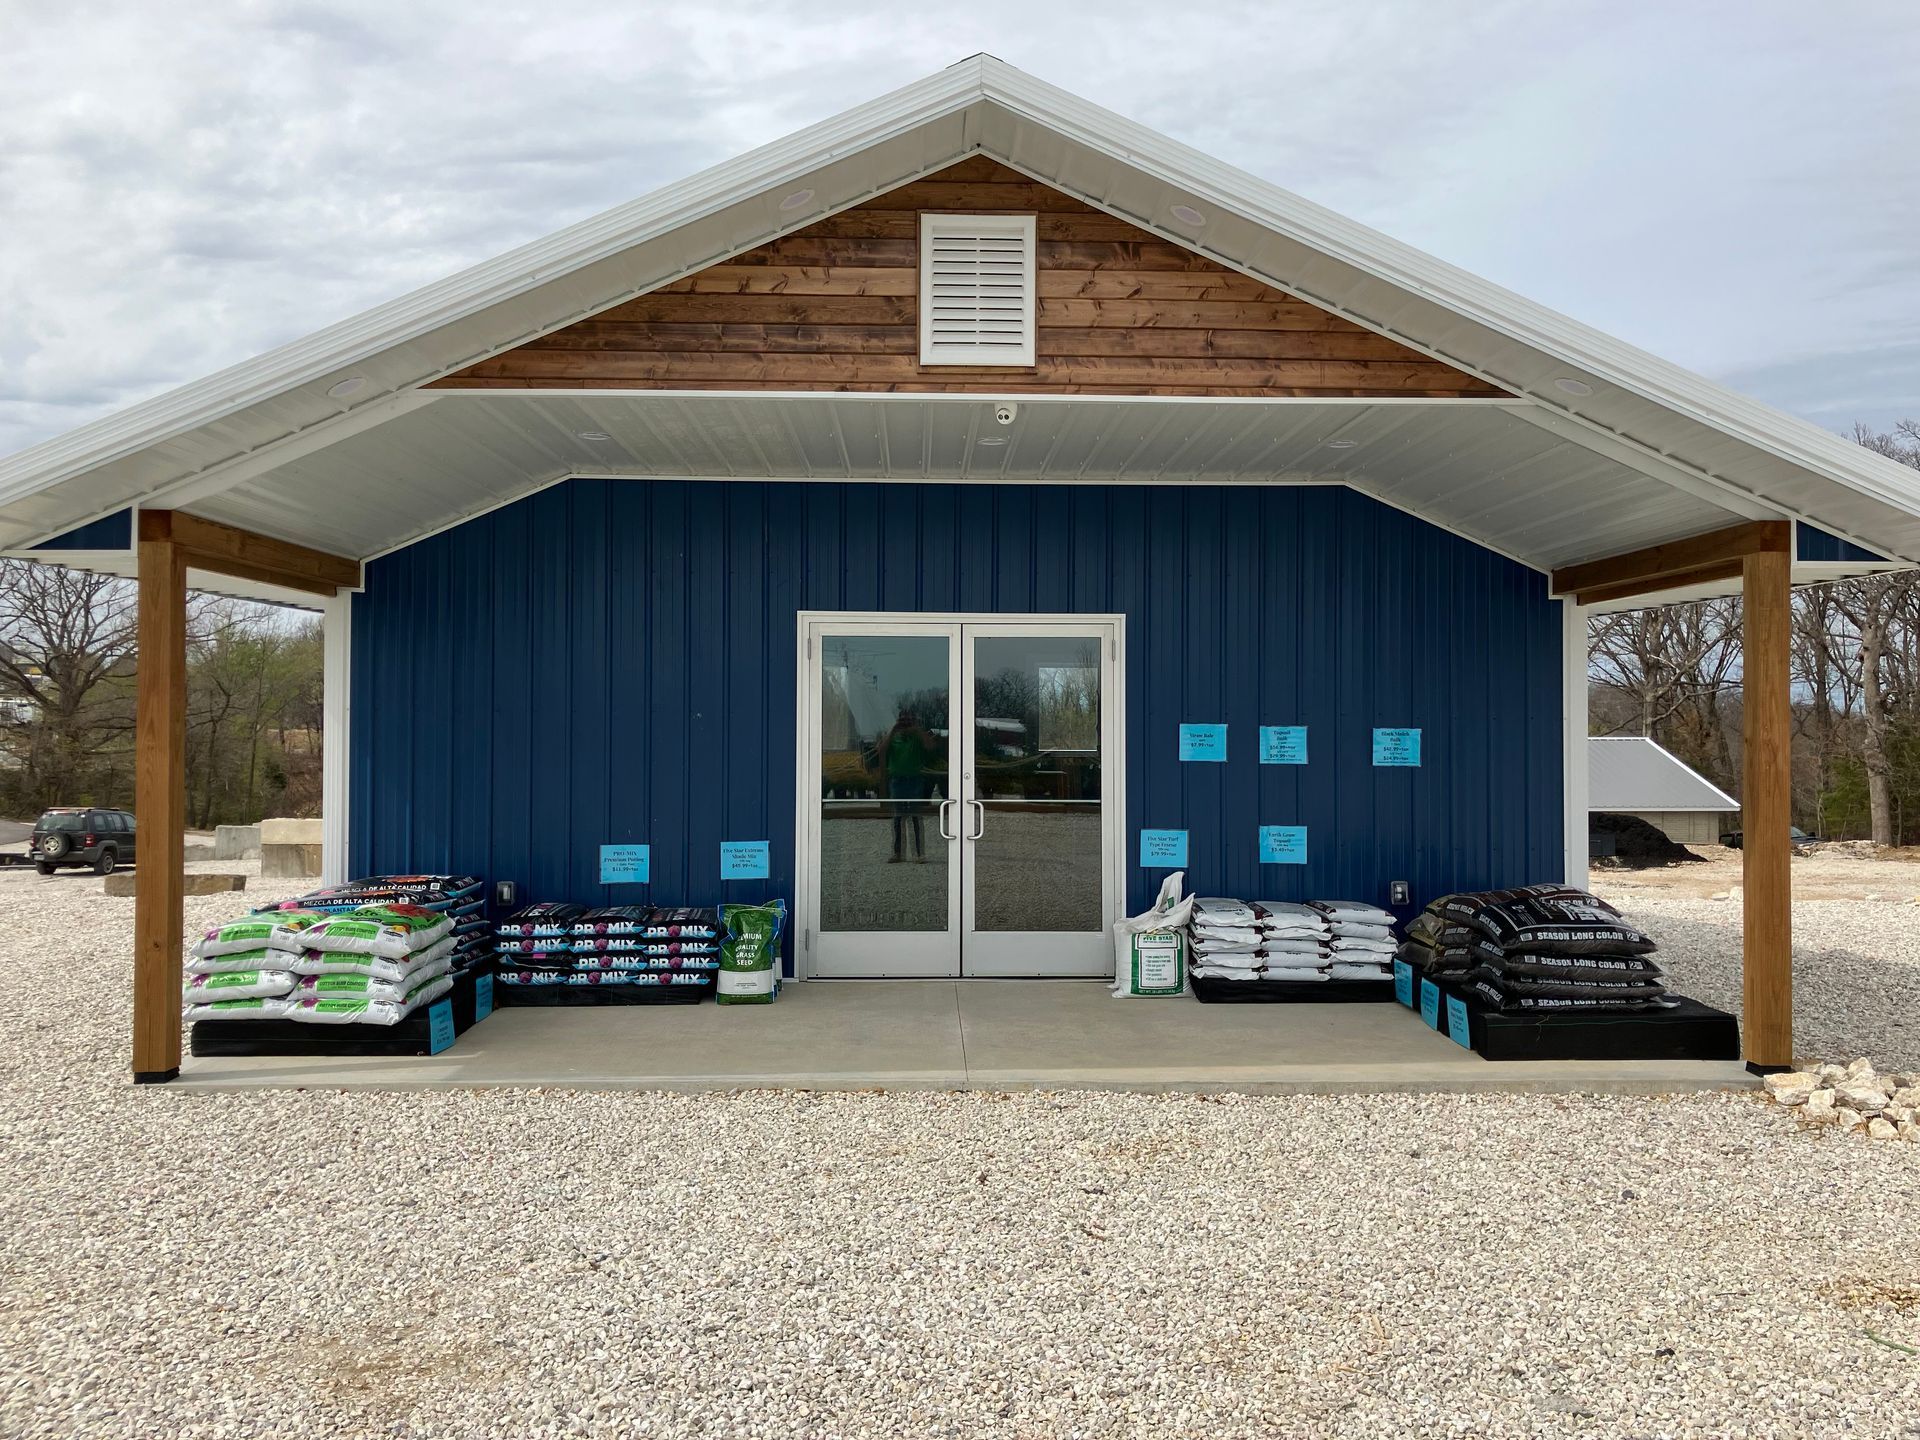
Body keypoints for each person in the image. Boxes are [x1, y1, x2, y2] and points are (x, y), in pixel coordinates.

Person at [875, 708, 940, 862]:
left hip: (914, 780)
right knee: (897, 818)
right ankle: (898, 853)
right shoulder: (893, 737)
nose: (905, 723)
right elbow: (880, 750)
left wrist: (917, 728)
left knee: (916, 817)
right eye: (902, 720)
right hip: (897, 781)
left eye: (908, 720)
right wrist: (893, 730)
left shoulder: (917, 737)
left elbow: (930, 746)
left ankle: (919, 853)